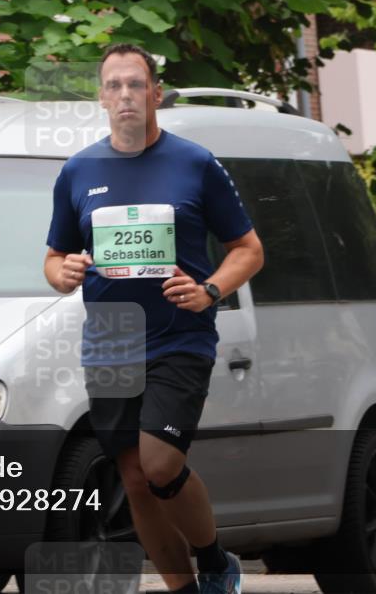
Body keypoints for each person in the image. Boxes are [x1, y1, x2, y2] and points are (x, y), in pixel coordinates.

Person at [43, 43, 264, 594]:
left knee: (160, 463)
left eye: (135, 84)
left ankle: (214, 561)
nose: (125, 95)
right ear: (100, 97)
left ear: (156, 93)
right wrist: (63, 272)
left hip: (178, 338)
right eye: (114, 85)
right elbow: (53, 259)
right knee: (136, 481)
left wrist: (210, 289)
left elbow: (248, 249)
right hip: (110, 341)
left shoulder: (195, 163)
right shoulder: (78, 171)